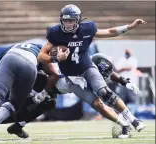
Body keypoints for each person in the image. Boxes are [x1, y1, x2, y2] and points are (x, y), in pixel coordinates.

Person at [0, 53, 143, 140]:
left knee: (44, 107)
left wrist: (124, 81)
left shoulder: (90, 66)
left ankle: (13, 126)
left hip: (51, 88)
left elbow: (109, 74)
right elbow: (99, 104)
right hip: (42, 83)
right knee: (21, 110)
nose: (102, 77)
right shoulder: (79, 74)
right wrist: (122, 121)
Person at [38, 4, 146, 137]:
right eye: (65, 20)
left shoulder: (87, 28)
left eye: (71, 20)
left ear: (78, 20)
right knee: (97, 105)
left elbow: (110, 32)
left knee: (104, 92)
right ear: (61, 20)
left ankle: (133, 120)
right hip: (71, 78)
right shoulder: (55, 33)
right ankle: (124, 125)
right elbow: (41, 56)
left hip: (87, 68)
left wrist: (130, 27)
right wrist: (55, 58)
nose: (68, 24)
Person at [0, 42, 43, 141]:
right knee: (13, 103)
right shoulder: (40, 48)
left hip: (9, 57)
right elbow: (51, 70)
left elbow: (1, 65)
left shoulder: (12, 47)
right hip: (29, 64)